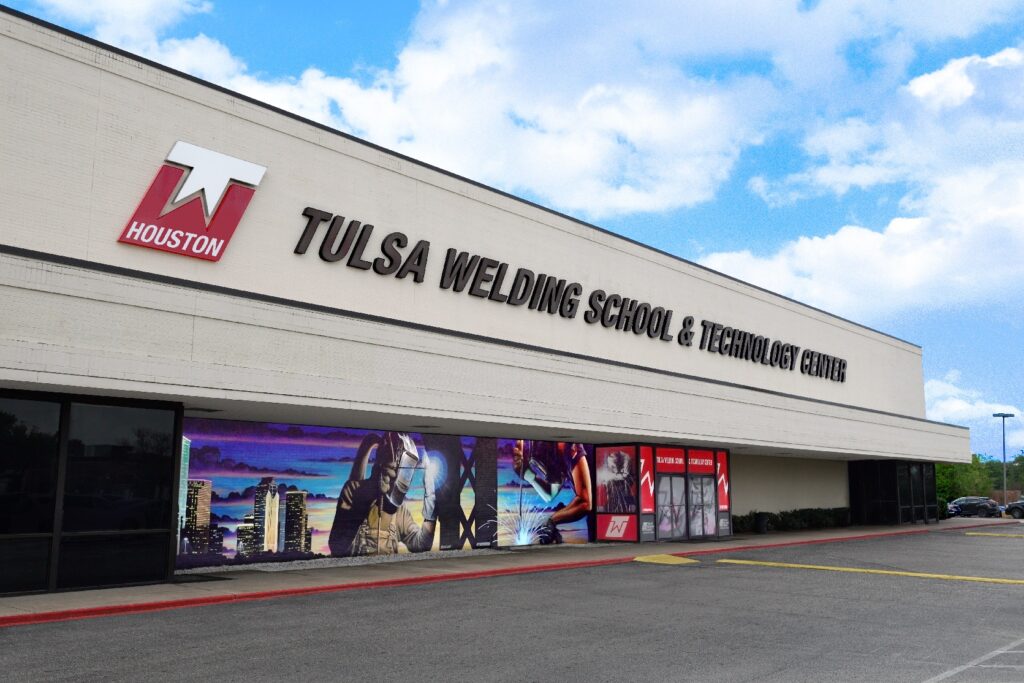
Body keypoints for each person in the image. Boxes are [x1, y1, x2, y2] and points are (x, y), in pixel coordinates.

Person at [328, 431, 437, 556]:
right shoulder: (353, 491)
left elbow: (421, 545)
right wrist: (367, 498)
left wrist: (431, 502)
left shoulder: (400, 512)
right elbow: (337, 546)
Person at [512, 440, 592, 543]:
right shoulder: (558, 454)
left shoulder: (568, 447)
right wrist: (528, 475)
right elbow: (549, 494)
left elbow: (585, 503)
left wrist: (552, 521)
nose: (545, 477)